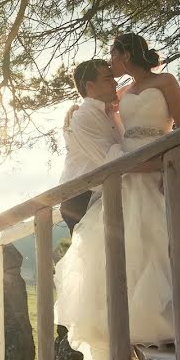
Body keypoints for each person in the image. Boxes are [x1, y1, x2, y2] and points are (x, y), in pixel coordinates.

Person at [53, 33, 180, 360]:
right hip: (131, 173)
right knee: (134, 246)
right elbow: (106, 128)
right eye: (106, 70)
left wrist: (174, 157)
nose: (111, 68)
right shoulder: (119, 96)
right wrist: (75, 113)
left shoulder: (165, 81)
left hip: (156, 165)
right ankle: (139, 329)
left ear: (126, 53)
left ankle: (178, 318)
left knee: (169, 240)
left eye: (112, 57)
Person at [58, 59, 124, 234]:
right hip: (81, 199)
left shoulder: (105, 112)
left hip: (102, 193)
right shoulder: (82, 117)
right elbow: (111, 161)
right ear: (90, 86)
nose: (115, 82)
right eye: (108, 79)